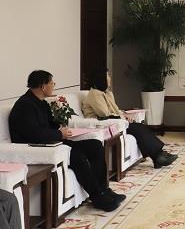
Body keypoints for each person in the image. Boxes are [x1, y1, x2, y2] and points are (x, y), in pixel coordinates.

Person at [8, 70, 124, 212]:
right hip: (38, 148)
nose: (54, 85)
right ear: (43, 86)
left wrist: (61, 126)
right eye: (52, 83)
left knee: (95, 145)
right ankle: (97, 196)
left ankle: (104, 189)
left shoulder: (41, 103)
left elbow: (51, 125)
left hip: (53, 143)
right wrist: (59, 134)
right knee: (77, 156)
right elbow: (34, 134)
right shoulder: (24, 106)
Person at [82, 69, 178, 169]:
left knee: (140, 127)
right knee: (138, 128)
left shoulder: (106, 93)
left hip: (115, 121)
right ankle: (158, 156)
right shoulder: (94, 94)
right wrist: (123, 118)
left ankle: (158, 155)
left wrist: (124, 116)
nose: (110, 78)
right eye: (108, 76)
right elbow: (104, 114)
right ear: (101, 79)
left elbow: (115, 110)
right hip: (104, 125)